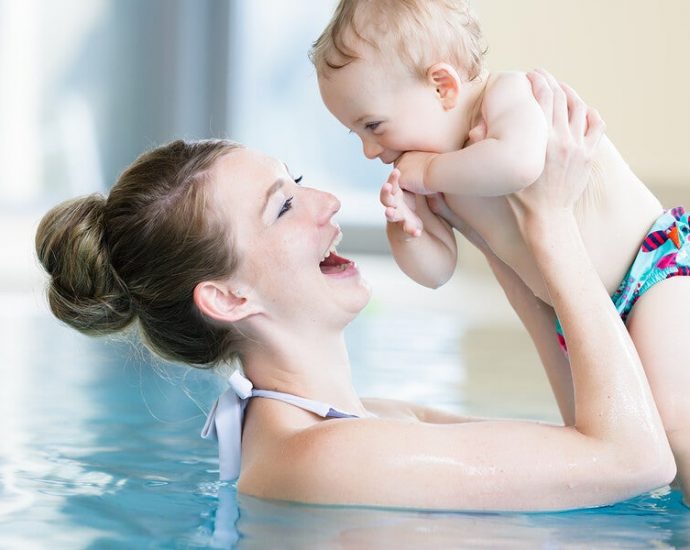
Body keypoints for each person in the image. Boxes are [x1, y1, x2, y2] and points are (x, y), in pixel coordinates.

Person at [34, 73, 675, 512]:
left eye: (300, 180)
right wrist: (552, 222)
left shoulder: (368, 420)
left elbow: (590, 445)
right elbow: (636, 462)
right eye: (283, 207)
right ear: (228, 298)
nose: (328, 202)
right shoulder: (321, 459)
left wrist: (502, 239)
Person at [311, 0, 690, 502]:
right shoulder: (431, 175)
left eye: (373, 125)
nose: (368, 149)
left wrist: (427, 175)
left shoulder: (504, 95)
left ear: (443, 86)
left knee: (672, 426)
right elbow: (435, 272)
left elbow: (518, 163)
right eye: (355, 132)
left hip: (652, 267)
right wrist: (407, 229)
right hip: (571, 310)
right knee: (606, 450)